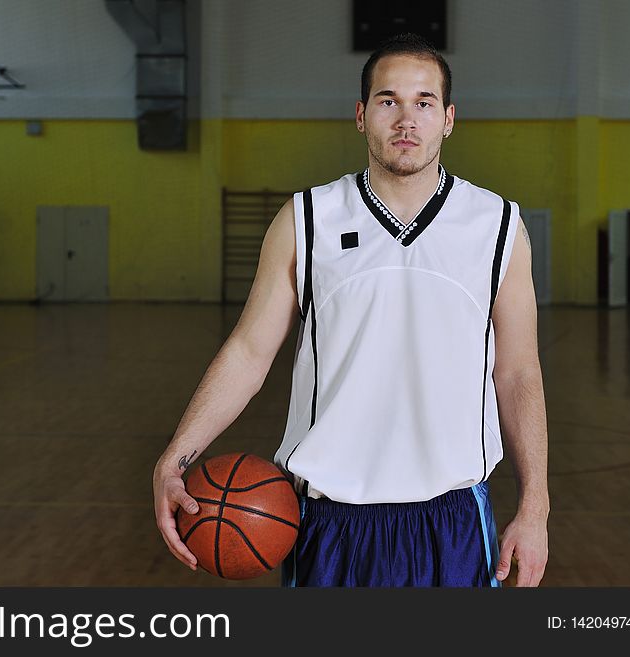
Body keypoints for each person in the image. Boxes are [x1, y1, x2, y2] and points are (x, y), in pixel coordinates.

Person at [153, 33, 549, 587]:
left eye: (424, 102)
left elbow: (518, 372)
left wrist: (536, 508)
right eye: (388, 101)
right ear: (361, 116)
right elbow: (249, 350)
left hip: (454, 518)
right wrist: (175, 456)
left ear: (449, 118)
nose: (406, 119)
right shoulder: (306, 219)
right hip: (328, 520)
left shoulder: (499, 226)